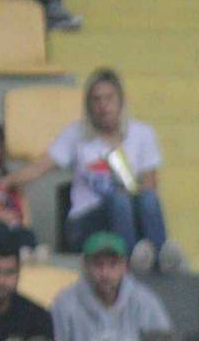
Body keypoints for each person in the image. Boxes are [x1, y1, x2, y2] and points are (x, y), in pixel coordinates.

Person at [24, 69, 176, 268]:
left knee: (147, 199)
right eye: (96, 100)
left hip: (129, 213)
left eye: (109, 98)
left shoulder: (143, 133)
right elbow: (39, 168)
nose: (103, 106)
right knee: (117, 200)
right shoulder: (76, 133)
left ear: (121, 101)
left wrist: (129, 184)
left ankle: (161, 257)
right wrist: (4, 181)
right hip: (85, 222)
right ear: (88, 105)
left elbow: (149, 186)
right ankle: (126, 262)